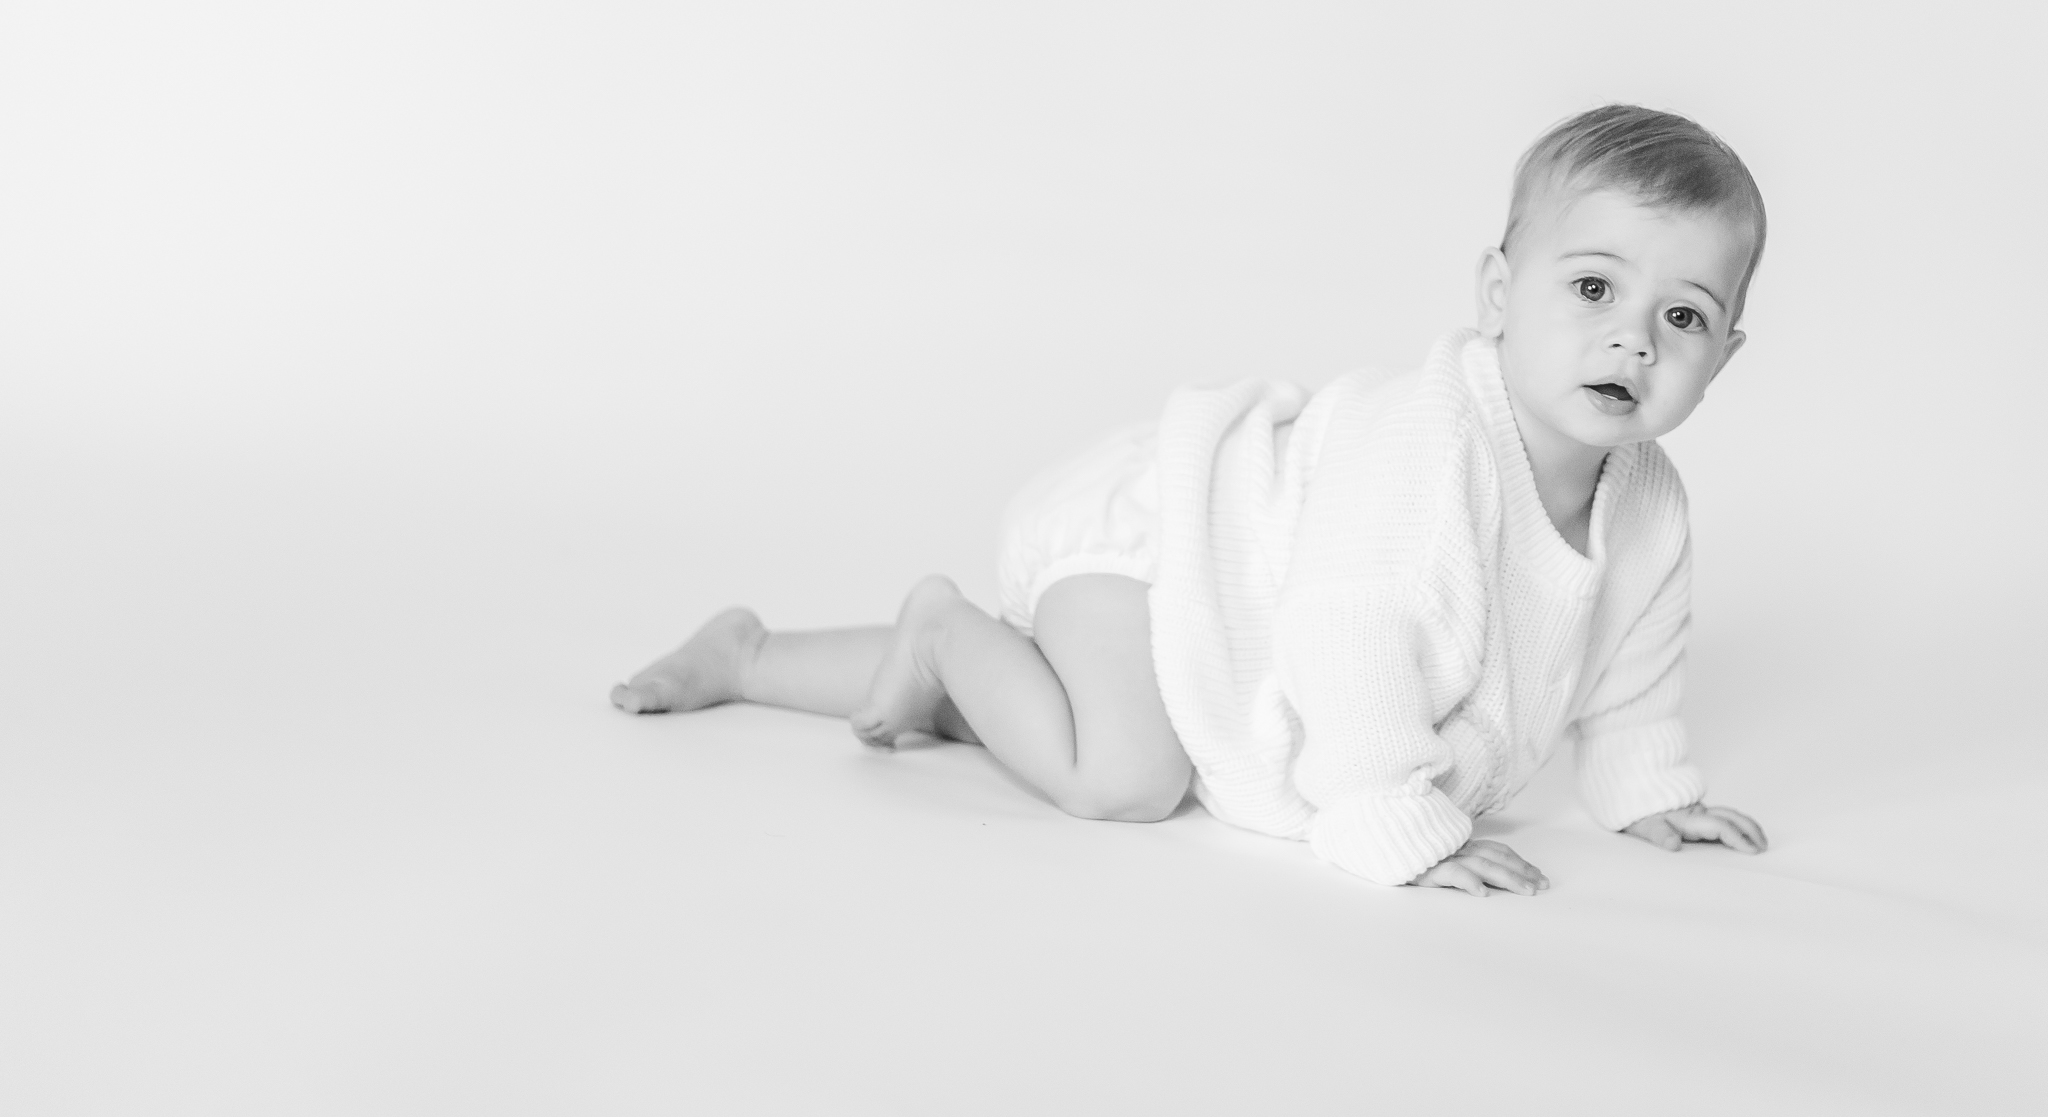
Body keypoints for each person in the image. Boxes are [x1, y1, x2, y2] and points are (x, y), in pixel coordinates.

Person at [611, 105, 1770, 896]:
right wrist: (1393, 824)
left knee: (1034, 703)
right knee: (1124, 776)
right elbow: (1349, 633)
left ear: (1721, 357)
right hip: (1162, 547)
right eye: (1591, 287)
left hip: (1223, 608)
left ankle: (749, 656)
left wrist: (1641, 789)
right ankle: (940, 629)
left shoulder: (1647, 505)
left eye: (1681, 316)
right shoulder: (1427, 451)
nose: (1632, 338)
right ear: (1498, 294)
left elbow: (1630, 669)